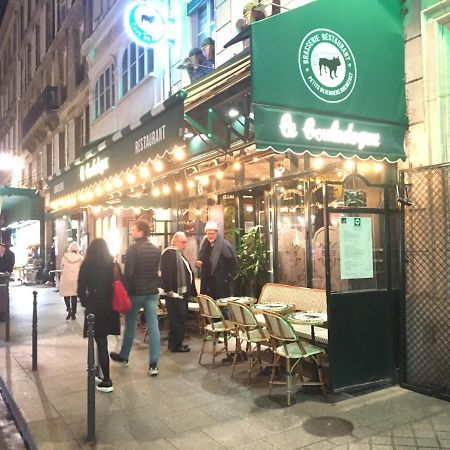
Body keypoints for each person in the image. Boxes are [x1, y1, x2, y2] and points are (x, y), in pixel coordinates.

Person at [110, 220, 161, 376]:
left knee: (131, 324)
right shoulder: (155, 250)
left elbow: (129, 273)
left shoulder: (132, 249)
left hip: (136, 292)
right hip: (152, 292)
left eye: (133, 229)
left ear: (141, 231)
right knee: (153, 326)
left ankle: (124, 356)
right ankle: (153, 364)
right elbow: (155, 271)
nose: (131, 232)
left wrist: (126, 290)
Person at [77, 238, 120, 393]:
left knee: (100, 342)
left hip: (95, 307)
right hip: (110, 307)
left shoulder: (87, 265)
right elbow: (120, 283)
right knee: (102, 341)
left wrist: (86, 302)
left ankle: (107, 380)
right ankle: (98, 371)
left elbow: (80, 288)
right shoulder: (112, 264)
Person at [160, 232, 197, 353]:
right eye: (183, 242)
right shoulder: (169, 253)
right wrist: (169, 289)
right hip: (175, 293)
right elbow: (166, 272)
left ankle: (176, 343)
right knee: (177, 319)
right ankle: (176, 345)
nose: (185, 245)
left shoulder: (178, 254)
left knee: (179, 319)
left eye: (185, 242)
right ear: (175, 241)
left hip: (182, 293)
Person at [196, 221, 237, 300]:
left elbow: (232, 262)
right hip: (208, 282)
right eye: (208, 234)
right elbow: (201, 258)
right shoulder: (204, 245)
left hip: (221, 283)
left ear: (216, 233)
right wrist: (199, 261)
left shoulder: (224, 245)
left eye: (212, 233)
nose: (210, 236)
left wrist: (227, 277)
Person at [59, 242, 83, 320]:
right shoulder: (81, 258)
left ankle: (69, 310)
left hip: (66, 278)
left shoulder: (64, 257)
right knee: (74, 296)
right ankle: (73, 313)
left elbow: (61, 267)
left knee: (66, 295)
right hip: (75, 278)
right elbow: (83, 269)